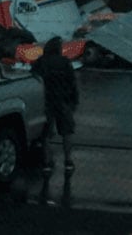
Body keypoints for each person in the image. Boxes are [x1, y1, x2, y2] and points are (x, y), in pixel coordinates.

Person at [32, 37, 79, 181]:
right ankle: (68, 161)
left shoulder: (41, 62)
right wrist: (74, 101)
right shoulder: (65, 62)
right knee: (67, 132)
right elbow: (72, 82)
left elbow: (34, 79)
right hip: (63, 101)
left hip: (46, 101)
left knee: (46, 134)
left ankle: (47, 162)